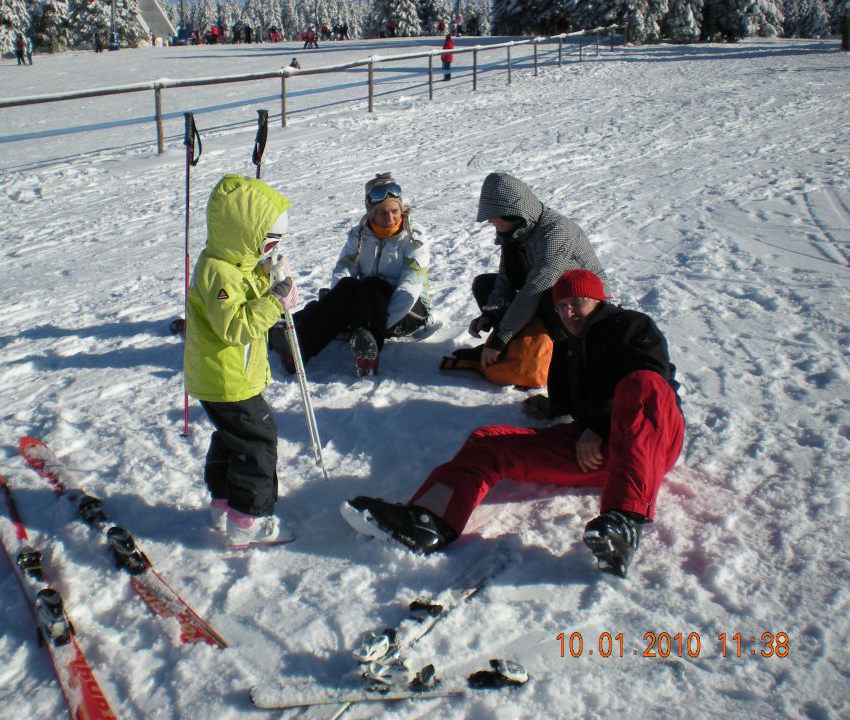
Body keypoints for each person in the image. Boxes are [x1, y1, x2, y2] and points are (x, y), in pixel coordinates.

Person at [341, 269, 684, 578]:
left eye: (577, 302)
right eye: (562, 306)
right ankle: (428, 522)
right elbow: (570, 403)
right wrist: (550, 406)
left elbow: (653, 384)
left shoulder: (631, 326)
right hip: (596, 454)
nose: (568, 312)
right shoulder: (567, 346)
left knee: (642, 385)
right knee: (489, 440)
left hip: (651, 444)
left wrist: (598, 426)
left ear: (598, 300)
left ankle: (623, 523)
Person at [184, 174, 298, 549]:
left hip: (225, 377)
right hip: (227, 380)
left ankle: (224, 504)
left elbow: (243, 288)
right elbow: (235, 325)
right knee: (257, 441)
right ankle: (250, 519)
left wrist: (265, 275)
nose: (272, 248)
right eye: (269, 241)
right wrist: (274, 301)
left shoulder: (229, 261)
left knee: (233, 439)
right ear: (245, 233)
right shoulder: (218, 272)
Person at [271, 173, 431, 378]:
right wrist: (342, 305)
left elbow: (411, 286)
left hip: (408, 310)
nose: (390, 218)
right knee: (347, 285)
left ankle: (368, 348)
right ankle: (299, 349)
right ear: (372, 212)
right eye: (383, 212)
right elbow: (343, 270)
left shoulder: (414, 239)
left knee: (372, 284)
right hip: (368, 306)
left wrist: (377, 321)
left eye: (394, 211)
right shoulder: (360, 235)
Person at [462, 172, 606, 374]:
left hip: (581, 310)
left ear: (511, 212)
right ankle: (523, 345)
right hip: (545, 296)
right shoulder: (515, 232)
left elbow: (535, 289)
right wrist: (490, 314)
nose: (490, 222)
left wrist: (501, 337)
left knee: (548, 296)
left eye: (493, 216)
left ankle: (563, 355)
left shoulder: (557, 232)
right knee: (484, 284)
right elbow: (505, 278)